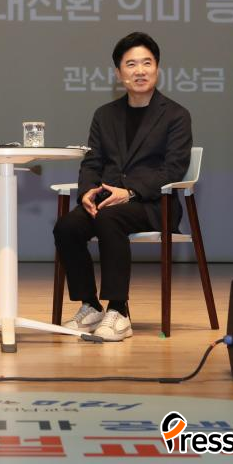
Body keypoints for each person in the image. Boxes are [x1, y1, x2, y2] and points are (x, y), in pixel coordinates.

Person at [53, 31, 192, 341]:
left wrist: (129, 192)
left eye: (147, 63)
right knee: (67, 226)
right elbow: (92, 161)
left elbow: (173, 168)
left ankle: (119, 310)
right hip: (108, 200)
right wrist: (87, 190)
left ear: (157, 68)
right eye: (131, 64)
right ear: (118, 73)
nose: (140, 71)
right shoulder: (105, 115)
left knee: (109, 218)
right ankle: (90, 305)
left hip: (153, 204)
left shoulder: (176, 116)